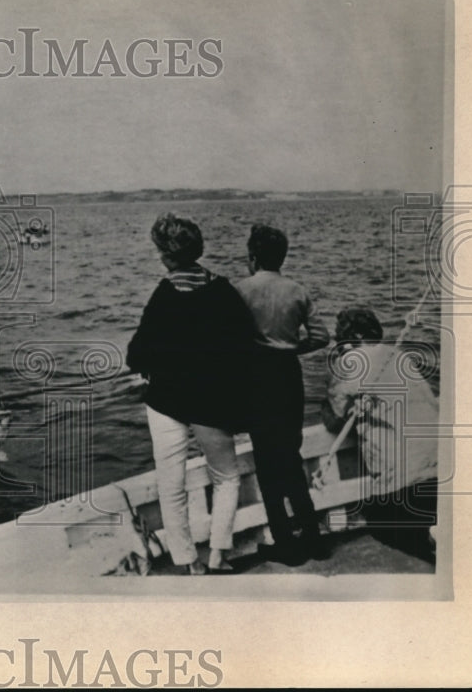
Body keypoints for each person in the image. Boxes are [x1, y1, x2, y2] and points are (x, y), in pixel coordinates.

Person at [126, 213, 257, 575]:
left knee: (171, 483)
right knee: (227, 476)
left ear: (164, 255)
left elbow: (135, 355)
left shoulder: (163, 295)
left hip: (165, 400)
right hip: (211, 402)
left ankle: (188, 563)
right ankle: (218, 555)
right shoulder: (223, 290)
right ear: (197, 249)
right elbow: (245, 347)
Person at [234, 224, 331, 565]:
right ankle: (314, 538)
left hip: (256, 378)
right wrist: (293, 349)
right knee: (290, 455)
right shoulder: (297, 290)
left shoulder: (241, 290)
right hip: (289, 375)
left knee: (266, 461)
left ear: (253, 256)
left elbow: (227, 338)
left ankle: (286, 544)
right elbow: (321, 336)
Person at [321, 307, 439, 561]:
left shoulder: (350, 362)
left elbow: (334, 419)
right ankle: (435, 530)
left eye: (341, 340)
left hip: (403, 479)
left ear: (355, 337)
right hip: (439, 464)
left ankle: (428, 538)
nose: (339, 347)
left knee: (381, 529)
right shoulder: (399, 355)